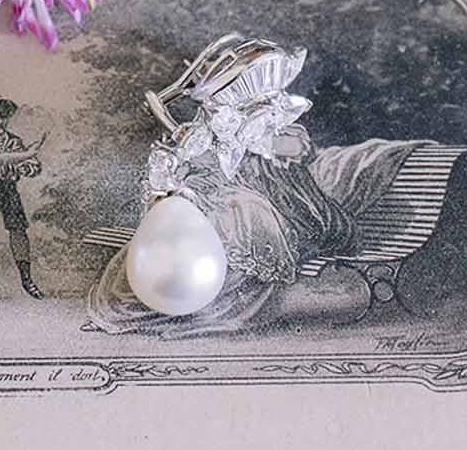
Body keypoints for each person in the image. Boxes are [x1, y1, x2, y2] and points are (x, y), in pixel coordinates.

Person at [87, 121, 447, 336]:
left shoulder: (278, 131)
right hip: (232, 207)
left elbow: (298, 159)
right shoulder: (214, 131)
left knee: (242, 222)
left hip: (289, 213)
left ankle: (186, 302)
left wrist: (258, 144)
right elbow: (202, 170)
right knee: (208, 225)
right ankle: (165, 301)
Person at [0, 96, 46, 298]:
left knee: (18, 229)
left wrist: (29, 167)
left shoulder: (13, 141)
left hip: (7, 188)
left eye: (2, 117)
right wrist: (23, 159)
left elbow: (32, 165)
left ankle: (26, 279)